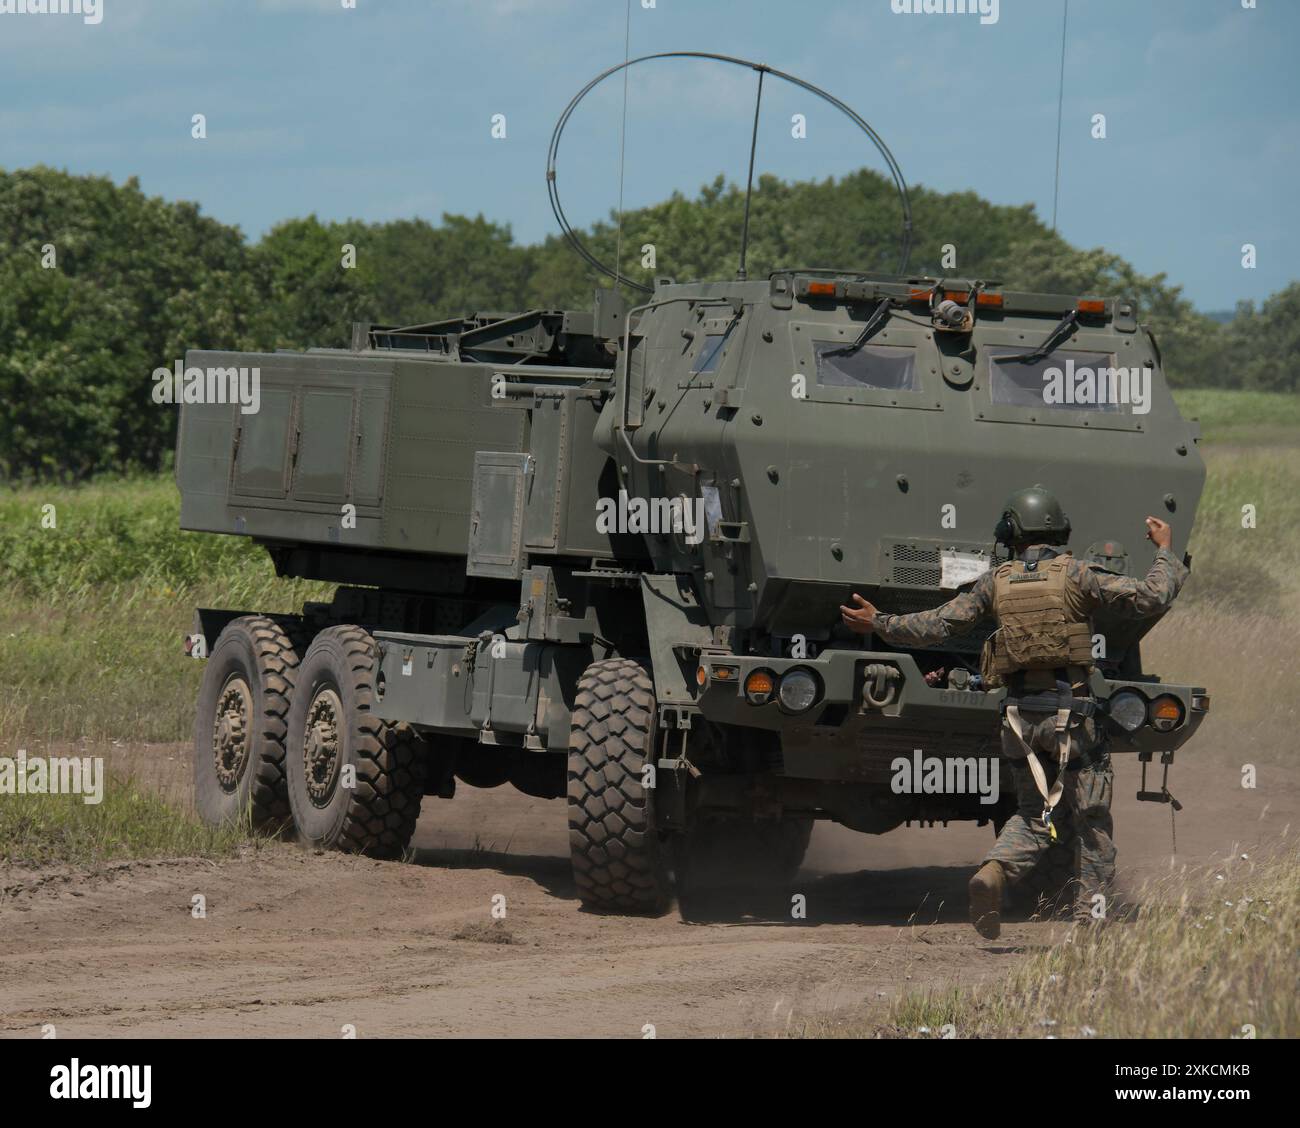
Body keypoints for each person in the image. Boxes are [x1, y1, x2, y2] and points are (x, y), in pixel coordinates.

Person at [839, 486, 1189, 938]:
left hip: (1021, 720)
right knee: (1091, 821)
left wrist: (879, 622)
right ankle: (1091, 924)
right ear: (1058, 529)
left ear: (1012, 531)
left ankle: (995, 872)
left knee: (1033, 813)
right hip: (1074, 720)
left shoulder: (996, 581)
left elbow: (939, 624)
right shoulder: (1080, 575)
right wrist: (1164, 552)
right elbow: (1151, 597)